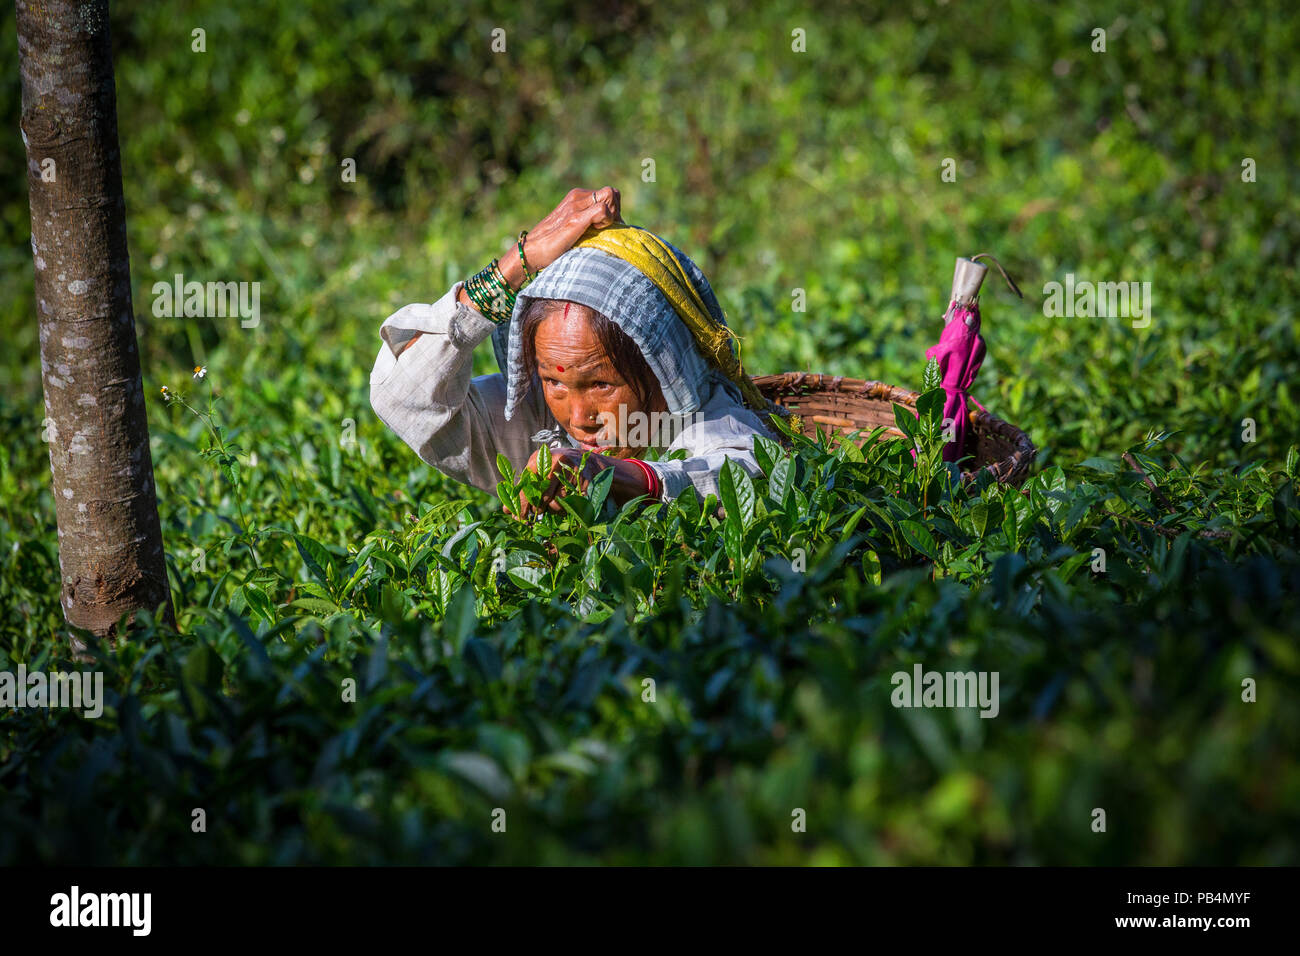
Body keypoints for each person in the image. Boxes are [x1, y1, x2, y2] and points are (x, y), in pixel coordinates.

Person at [369, 187, 778, 519]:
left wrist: (611, 474)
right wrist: (515, 266)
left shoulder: (702, 415)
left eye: (601, 383)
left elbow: (744, 475)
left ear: (660, 364)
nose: (580, 418)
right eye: (554, 381)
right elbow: (405, 398)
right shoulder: (534, 418)